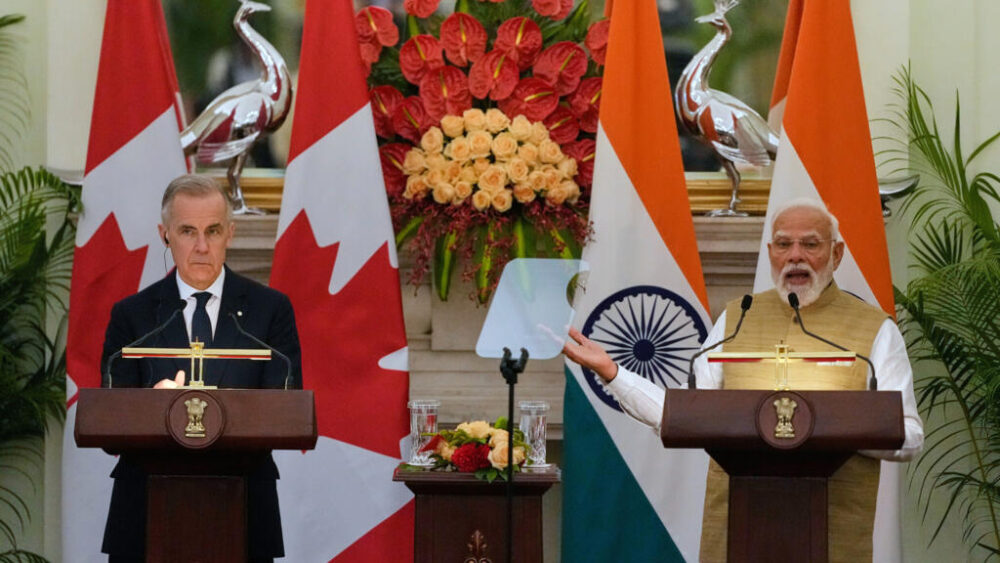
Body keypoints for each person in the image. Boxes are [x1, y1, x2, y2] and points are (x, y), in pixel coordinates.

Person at [563, 198, 924, 562]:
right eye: (783, 244)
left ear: (837, 254)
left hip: (832, 535)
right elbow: (684, 418)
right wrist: (612, 372)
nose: (795, 255)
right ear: (770, 252)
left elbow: (909, 436)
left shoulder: (875, 329)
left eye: (811, 244)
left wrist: (826, 429)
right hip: (739, 533)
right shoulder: (738, 318)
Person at [99, 174, 302, 562]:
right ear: (165, 234)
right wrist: (152, 411)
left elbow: (286, 405)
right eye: (188, 231)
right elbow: (110, 423)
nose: (202, 246)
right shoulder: (133, 316)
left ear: (231, 232)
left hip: (243, 506)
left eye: (213, 230)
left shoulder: (269, 310)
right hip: (145, 509)